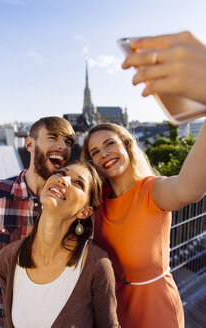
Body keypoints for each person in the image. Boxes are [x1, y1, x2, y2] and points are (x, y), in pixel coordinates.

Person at [81, 31, 206, 328]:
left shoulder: (151, 191)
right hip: (111, 309)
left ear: (127, 145)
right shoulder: (97, 203)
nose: (104, 154)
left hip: (154, 309)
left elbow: (190, 187)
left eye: (110, 143)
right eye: (95, 151)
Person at [0, 161, 119, 328]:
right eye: (61, 173)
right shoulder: (8, 258)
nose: (63, 180)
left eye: (78, 183)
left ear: (85, 211)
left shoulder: (96, 264)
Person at [0, 116, 75, 327]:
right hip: (2, 319)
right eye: (53, 137)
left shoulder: (73, 203)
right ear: (29, 144)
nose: (62, 146)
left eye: (68, 142)